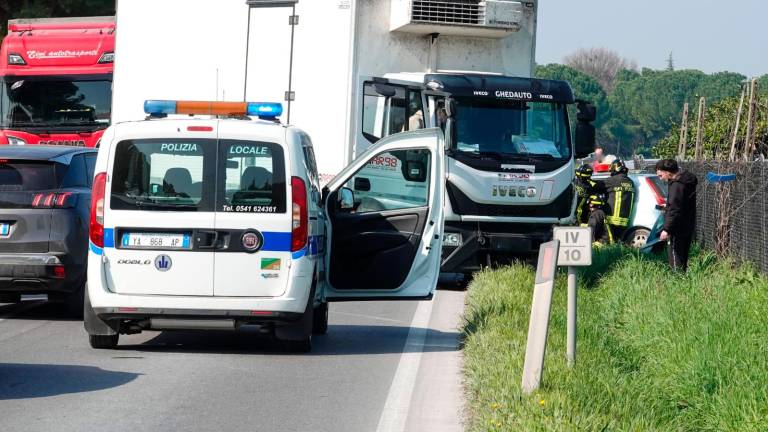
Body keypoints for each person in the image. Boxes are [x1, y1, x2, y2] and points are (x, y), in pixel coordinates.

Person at [655, 159, 698, 272]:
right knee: (683, 258)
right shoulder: (687, 181)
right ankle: (683, 281)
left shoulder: (676, 185)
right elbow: (681, 203)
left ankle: (677, 282)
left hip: (677, 228)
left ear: (668, 172)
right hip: (687, 224)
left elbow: (675, 209)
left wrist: (666, 229)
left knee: (675, 259)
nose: (661, 178)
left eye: (660, 175)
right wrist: (668, 205)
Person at [603, 159, 635, 243]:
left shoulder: (612, 180)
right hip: (625, 221)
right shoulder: (630, 181)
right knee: (619, 242)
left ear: (614, 168)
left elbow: (597, 186)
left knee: (609, 242)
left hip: (612, 220)